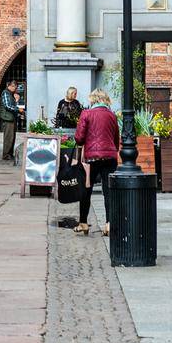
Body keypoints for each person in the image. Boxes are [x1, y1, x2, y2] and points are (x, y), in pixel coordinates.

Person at [74, 89, 120, 236]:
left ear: (92, 99)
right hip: (109, 157)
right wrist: (113, 151)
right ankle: (109, 224)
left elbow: (79, 138)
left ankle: (83, 223)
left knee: (86, 190)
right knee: (109, 191)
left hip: (91, 158)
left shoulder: (86, 114)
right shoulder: (112, 115)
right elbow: (116, 137)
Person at [0, 78, 22, 162]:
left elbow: (12, 104)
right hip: (7, 118)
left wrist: (16, 100)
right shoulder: (5, 93)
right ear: (8, 85)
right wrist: (18, 109)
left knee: (12, 137)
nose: (14, 88)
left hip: (11, 118)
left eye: (15, 87)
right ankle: (6, 155)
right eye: (13, 86)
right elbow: (7, 106)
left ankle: (9, 154)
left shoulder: (11, 94)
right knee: (8, 137)